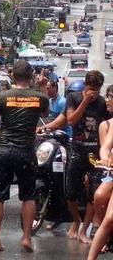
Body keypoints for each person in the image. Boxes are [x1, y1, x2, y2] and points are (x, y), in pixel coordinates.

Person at [0, 61, 49, 253]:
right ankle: (27, 238)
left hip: (4, 150)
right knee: (28, 197)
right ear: (31, 76)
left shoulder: (3, 97)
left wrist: (3, 136)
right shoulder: (39, 97)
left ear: (13, 77)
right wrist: (44, 87)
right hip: (25, 151)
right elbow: (46, 113)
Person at [65, 70, 108, 244]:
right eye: (91, 89)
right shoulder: (73, 98)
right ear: (84, 85)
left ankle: (84, 229)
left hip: (95, 154)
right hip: (76, 150)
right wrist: (84, 101)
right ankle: (76, 219)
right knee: (71, 192)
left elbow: (107, 126)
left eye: (97, 91)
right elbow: (70, 121)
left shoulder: (101, 103)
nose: (94, 94)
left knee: (94, 194)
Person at [88, 85, 113, 258]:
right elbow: (105, 148)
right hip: (111, 173)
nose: (108, 99)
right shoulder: (109, 125)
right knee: (110, 218)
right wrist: (105, 157)